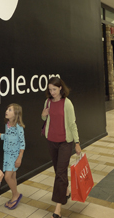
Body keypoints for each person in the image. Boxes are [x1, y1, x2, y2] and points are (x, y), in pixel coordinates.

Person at [41, 77, 81, 218]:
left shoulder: (67, 103)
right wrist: (43, 115)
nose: (52, 92)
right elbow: (45, 119)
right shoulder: (47, 102)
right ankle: (66, 189)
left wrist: (77, 143)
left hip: (65, 142)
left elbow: (72, 124)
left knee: (60, 172)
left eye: (54, 89)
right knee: (59, 171)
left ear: (60, 89)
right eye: (50, 89)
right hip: (51, 141)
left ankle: (58, 206)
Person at [0, 103, 26, 210]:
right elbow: (6, 137)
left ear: (16, 114)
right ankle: (14, 194)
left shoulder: (19, 127)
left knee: (7, 177)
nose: (7, 111)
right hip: (7, 155)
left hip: (14, 156)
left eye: (10, 110)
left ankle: (16, 194)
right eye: (7, 109)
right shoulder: (8, 125)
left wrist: (19, 157)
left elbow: (22, 143)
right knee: (12, 176)